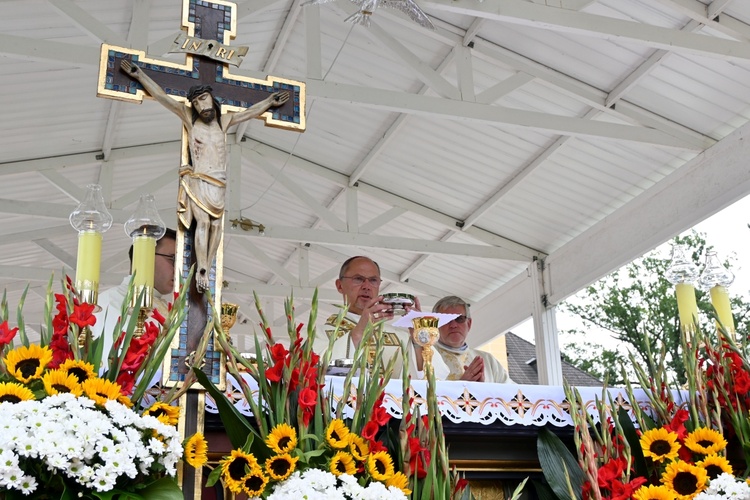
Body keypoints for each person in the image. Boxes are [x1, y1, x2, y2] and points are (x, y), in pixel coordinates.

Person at [120, 60, 289, 293]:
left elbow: (250, 112)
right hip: (199, 179)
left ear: (212, 98)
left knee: (218, 226)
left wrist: (270, 101)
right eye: (196, 102)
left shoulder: (224, 121)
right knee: (203, 223)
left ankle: (207, 264)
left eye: (203, 99)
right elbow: (161, 96)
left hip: (219, 182)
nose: (201, 105)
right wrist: (140, 76)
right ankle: (202, 268)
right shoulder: (190, 119)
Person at [317, 255, 450, 380]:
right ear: (339, 286)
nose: (367, 286)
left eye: (373, 280)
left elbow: (435, 379)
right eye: (358, 279)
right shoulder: (318, 335)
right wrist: (358, 334)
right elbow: (318, 374)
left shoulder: (401, 337)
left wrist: (418, 338)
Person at [93, 229, 177, 359]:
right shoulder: (108, 303)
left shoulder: (167, 307)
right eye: (173, 259)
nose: (179, 268)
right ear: (145, 255)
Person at [432, 295, 514, 383]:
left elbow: (514, 393)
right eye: (447, 320)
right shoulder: (427, 357)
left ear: (469, 324)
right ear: (435, 325)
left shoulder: (488, 361)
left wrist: (482, 387)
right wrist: (463, 385)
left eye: (459, 319)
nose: (453, 325)